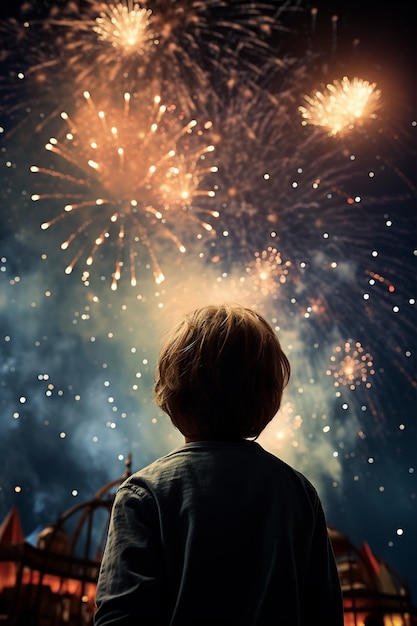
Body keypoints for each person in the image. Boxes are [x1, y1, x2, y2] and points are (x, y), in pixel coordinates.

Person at [94, 303, 344, 626]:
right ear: (268, 397)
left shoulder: (143, 494)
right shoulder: (299, 493)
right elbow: (324, 616)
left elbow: (121, 618)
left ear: (172, 392)